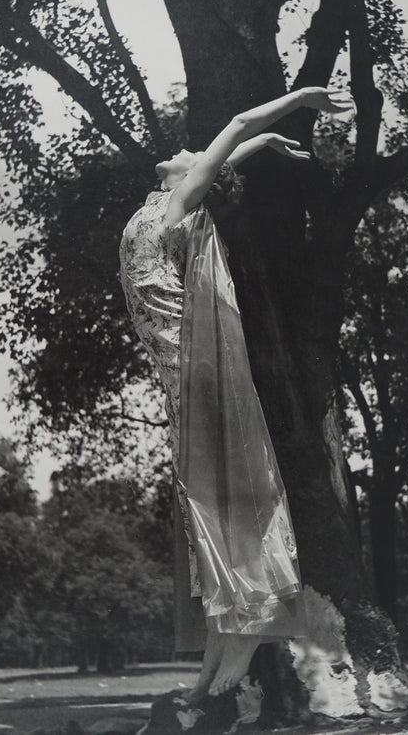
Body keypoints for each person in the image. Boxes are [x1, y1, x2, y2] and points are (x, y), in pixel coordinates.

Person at [119, 87, 353, 701]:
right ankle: (218, 654)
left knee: (218, 496)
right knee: (207, 501)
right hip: (184, 377)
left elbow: (238, 117)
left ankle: (239, 642)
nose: (188, 151)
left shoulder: (178, 204)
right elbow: (234, 142)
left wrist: (301, 99)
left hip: (194, 371)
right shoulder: (165, 205)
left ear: (194, 178)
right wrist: (261, 145)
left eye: (197, 156)